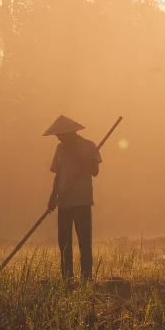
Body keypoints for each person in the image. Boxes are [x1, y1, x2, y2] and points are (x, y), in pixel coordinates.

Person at [45, 115, 102, 286]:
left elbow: (95, 171)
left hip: (82, 201)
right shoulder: (60, 149)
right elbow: (58, 175)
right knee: (64, 242)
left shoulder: (89, 146)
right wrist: (52, 197)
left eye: (61, 135)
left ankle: (87, 278)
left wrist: (78, 156)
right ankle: (67, 279)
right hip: (64, 201)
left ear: (71, 133)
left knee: (84, 241)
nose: (59, 138)